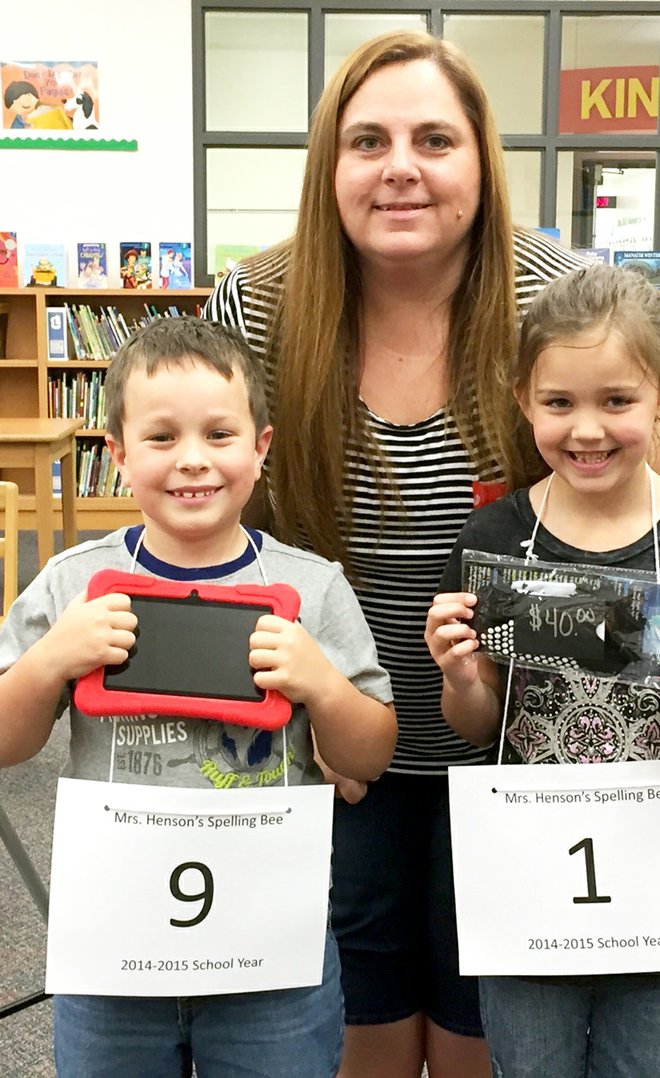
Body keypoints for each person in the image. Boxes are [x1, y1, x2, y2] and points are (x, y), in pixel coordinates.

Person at [204, 31, 660, 1078]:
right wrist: (303, 710)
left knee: (483, 1031)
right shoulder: (258, 308)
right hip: (332, 749)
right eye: (366, 140)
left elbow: (650, 532)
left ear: (480, 162)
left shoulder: (559, 297)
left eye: (434, 138)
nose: (400, 168)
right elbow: (212, 523)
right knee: (359, 1017)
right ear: (330, 163)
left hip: (519, 747)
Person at [0, 316, 397, 1078]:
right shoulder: (72, 584)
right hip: (114, 949)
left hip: (271, 953)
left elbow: (370, 755)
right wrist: (51, 658)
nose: (192, 461)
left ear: (261, 448)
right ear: (115, 455)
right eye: (160, 438)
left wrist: (319, 681)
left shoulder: (314, 589)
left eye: (219, 434)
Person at [425, 262, 660, 1078]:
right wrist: (463, 677)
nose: (587, 429)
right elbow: (477, 724)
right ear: (524, 402)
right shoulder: (492, 542)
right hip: (527, 870)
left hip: (657, 867)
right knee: (530, 1065)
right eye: (559, 403)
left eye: (617, 401)